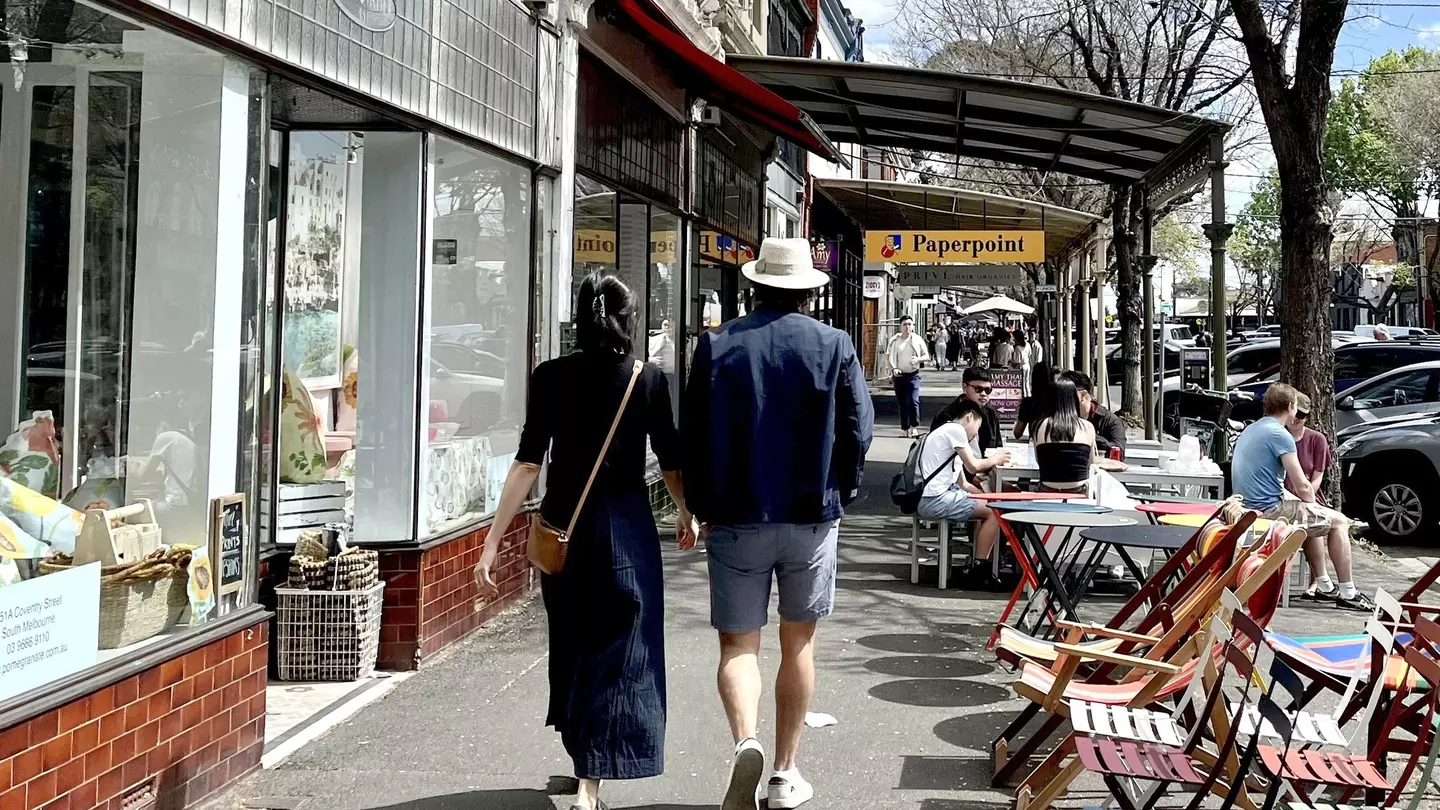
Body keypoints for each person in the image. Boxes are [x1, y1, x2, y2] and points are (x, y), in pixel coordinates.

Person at [474, 274, 699, 810]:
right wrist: (687, 513)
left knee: (575, 644)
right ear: (630, 321)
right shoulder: (646, 381)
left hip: (562, 534)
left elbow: (529, 462)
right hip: (626, 536)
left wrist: (490, 542)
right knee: (621, 653)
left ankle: (583, 769)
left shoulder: (550, 376)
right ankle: (590, 784)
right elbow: (670, 459)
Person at [681, 237, 874, 810]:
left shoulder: (716, 346)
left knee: (738, 646)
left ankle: (747, 741)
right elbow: (859, 430)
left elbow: (693, 434)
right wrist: (843, 487)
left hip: (736, 514)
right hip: (811, 516)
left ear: (753, 286)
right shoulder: (835, 344)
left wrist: (697, 504)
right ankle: (786, 776)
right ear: (809, 294)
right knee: (799, 645)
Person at [1230, 384, 1373, 612]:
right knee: (1339, 522)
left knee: (1311, 517)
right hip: (1268, 510)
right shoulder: (1280, 435)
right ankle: (1348, 591)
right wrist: (1314, 505)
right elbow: (1303, 486)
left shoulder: (1251, 429)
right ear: (1290, 407)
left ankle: (1325, 585)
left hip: (1245, 505)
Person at [916, 398, 1004, 586]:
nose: (974, 435)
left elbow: (964, 484)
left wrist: (987, 496)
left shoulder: (945, 436)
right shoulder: (955, 430)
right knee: (995, 512)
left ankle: (977, 562)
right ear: (969, 418)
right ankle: (980, 569)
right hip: (936, 500)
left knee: (991, 506)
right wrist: (995, 459)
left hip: (932, 497)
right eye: (977, 429)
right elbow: (973, 467)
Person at [1033, 376, 1097, 491]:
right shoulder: (1087, 427)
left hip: (1047, 491)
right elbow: (1091, 464)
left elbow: (1039, 461)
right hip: (1079, 492)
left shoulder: (1039, 426)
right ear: (1074, 399)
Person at [1058, 370, 1127, 456]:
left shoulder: (1111, 421)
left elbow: (1119, 453)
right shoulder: (1059, 418)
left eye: (1067, 395)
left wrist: (1089, 436)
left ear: (1083, 395)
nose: (1062, 400)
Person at [886, 315, 929, 438]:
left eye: (909, 324)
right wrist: (893, 369)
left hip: (913, 375)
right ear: (900, 326)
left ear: (913, 326)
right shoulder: (895, 341)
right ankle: (905, 428)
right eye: (905, 324)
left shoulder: (917, 339)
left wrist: (918, 359)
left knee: (913, 401)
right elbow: (888, 357)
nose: (907, 327)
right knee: (902, 403)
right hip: (899, 376)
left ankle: (914, 427)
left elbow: (927, 356)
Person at [1014, 362, 1055, 441]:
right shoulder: (1056, 401)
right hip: (1055, 445)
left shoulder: (1028, 403)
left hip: (1036, 445)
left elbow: (1017, 433)